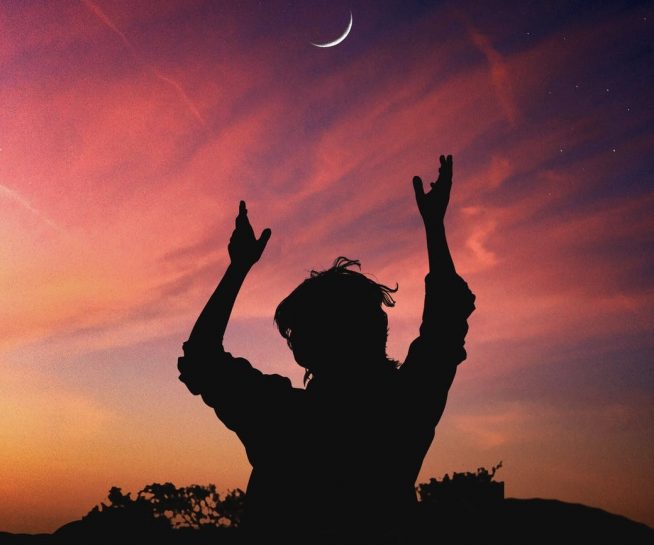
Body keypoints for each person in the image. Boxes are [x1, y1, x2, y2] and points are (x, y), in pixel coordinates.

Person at [177, 154, 475, 544]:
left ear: (305, 347)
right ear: (377, 330)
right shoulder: (405, 408)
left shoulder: (282, 419)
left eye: (297, 332)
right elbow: (445, 325)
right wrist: (434, 227)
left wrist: (238, 267)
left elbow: (201, 359)